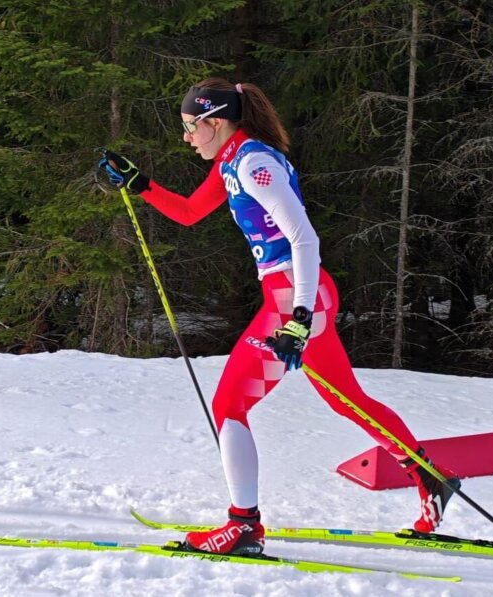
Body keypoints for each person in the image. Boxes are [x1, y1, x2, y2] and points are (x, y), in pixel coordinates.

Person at [99, 77, 460, 556]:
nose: (186, 137)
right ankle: (430, 478)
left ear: (216, 121)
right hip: (300, 296)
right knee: (346, 398)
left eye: (191, 126)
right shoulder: (232, 159)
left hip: (294, 297)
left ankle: (243, 526)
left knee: (230, 407)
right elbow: (188, 212)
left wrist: (299, 317)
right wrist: (140, 185)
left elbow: (304, 238)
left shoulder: (254, 163)